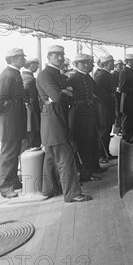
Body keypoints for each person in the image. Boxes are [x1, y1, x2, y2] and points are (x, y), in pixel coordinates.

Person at [36, 45, 91, 202]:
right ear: (49, 57)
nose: (60, 58)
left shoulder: (57, 74)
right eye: (55, 55)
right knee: (66, 157)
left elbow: (63, 95)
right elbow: (59, 97)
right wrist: (64, 93)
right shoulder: (45, 75)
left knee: (52, 157)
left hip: (56, 117)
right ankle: (72, 193)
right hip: (53, 120)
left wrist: (63, 93)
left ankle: (47, 189)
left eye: (61, 55)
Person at [0, 48, 28, 199]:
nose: (24, 60)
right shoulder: (7, 76)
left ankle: (13, 180)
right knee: (8, 154)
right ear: (13, 59)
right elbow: (0, 99)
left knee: (14, 153)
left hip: (15, 121)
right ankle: (5, 187)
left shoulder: (14, 74)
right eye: (21, 58)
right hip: (9, 122)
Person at [67, 53, 104, 182]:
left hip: (90, 112)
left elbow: (96, 91)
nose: (86, 65)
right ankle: (85, 173)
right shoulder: (72, 78)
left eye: (87, 63)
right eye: (83, 63)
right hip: (79, 115)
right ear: (76, 64)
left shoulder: (87, 77)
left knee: (92, 141)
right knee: (83, 144)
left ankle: (93, 167)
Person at [94, 54, 116, 161]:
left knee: (107, 131)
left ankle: (106, 152)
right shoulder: (101, 75)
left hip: (108, 107)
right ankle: (101, 154)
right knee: (104, 132)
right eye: (112, 62)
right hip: (103, 108)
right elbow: (97, 93)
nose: (113, 64)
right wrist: (109, 95)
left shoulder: (106, 74)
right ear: (106, 64)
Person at [119, 54, 133, 143]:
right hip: (127, 100)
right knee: (127, 121)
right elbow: (122, 87)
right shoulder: (124, 71)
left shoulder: (131, 71)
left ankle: (132, 137)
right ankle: (127, 139)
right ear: (129, 61)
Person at [21, 57, 41, 151]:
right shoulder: (29, 78)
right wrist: (28, 103)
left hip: (30, 111)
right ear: (32, 64)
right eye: (37, 64)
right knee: (31, 139)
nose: (38, 66)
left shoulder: (26, 76)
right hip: (31, 113)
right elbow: (25, 90)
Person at [111, 59, 124, 135]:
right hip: (116, 95)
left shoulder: (122, 73)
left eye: (122, 65)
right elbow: (111, 85)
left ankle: (121, 127)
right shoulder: (113, 74)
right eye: (120, 65)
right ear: (116, 66)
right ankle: (117, 129)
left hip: (121, 94)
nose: (121, 67)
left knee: (121, 111)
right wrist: (116, 88)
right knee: (117, 112)